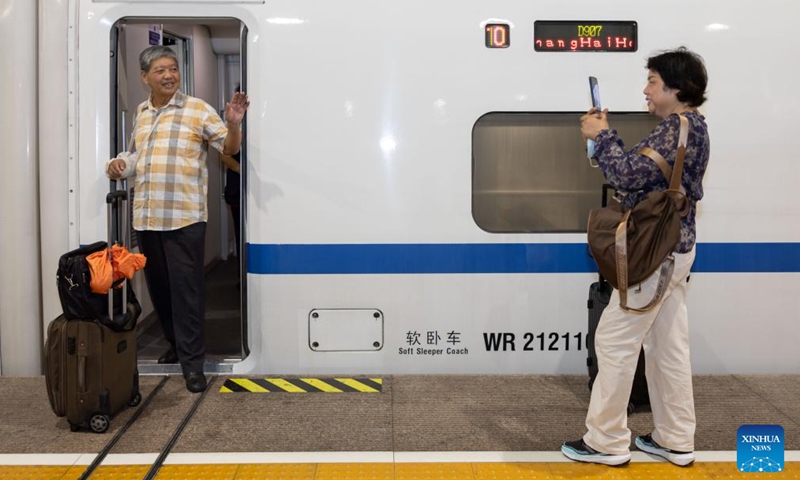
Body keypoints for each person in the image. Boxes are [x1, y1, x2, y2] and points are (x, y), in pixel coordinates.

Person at [561, 47, 710, 466]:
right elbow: (639, 175)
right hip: (677, 250)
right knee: (667, 346)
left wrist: (601, 135)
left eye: (652, 82)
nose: (645, 91)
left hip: (654, 255)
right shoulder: (693, 127)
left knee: (614, 342)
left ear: (676, 89)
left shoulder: (675, 128)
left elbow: (625, 175)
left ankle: (606, 441)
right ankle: (675, 438)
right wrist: (604, 144)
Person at [106, 45, 250, 393]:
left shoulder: (197, 109)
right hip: (147, 217)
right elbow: (138, 155)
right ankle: (174, 343)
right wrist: (121, 164)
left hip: (184, 218)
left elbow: (228, 149)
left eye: (173, 68)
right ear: (145, 78)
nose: (169, 75)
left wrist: (233, 125)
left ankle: (192, 363)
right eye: (160, 70)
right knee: (161, 290)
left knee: (187, 292)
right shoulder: (142, 112)